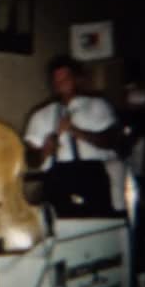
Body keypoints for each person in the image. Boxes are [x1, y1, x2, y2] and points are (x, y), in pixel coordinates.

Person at [24, 55, 125, 211]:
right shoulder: (41, 114)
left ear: (77, 79)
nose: (60, 83)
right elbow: (30, 160)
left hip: (93, 175)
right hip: (58, 178)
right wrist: (45, 150)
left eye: (65, 78)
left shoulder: (98, 105)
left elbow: (112, 141)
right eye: (56, 80)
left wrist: (76, 132)